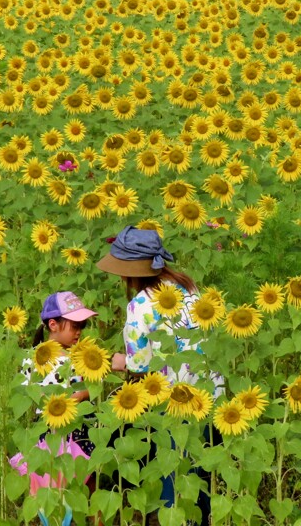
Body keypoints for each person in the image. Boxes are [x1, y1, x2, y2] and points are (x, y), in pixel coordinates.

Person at [97, 225, 222, 525]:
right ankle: (203, 518)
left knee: (172, 471)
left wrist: (118, 361)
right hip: (210, 392)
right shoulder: (188, 288)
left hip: (173, 400)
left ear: (131, 271)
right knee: (201, 468)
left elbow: (139, 366)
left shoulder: (139, 306)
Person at [10, 291, 98, 526]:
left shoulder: (79, 355)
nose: (79, 331)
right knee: (50, 483)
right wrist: (71, 398)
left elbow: (92, 388)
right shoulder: (36, 359)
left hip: (78, 430)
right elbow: (32, 394)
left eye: (83, 325)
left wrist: (84, 393)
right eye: (75, 325)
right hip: (52, 433)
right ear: (53, 325)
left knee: (83, 483)